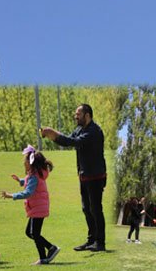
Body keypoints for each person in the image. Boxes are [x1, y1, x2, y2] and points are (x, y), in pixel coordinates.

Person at [41, 103, 107, 252]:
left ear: (87, 115)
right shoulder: (79, 129)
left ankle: (100, 243)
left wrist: (54, 133)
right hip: (84, 176)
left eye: (78, 114)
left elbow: (74, 142)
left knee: (96, 209)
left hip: (96, 176)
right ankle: (91, 241)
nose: (75, 116)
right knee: (86, 209)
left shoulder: (94, 131)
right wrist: (54, 136)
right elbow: (68, 140)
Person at [1, 146, 60, 266]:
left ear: (31, 162)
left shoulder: (34, 176)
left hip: (38, 207)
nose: (23, 162)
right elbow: (31, 183)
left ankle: (43, 258)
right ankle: (51, 248)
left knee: (35, 233)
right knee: (30, 232)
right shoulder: (36, 174)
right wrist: (20, 181)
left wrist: (11, 195)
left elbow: (28, 192)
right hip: (38, 206)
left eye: (25, 160)